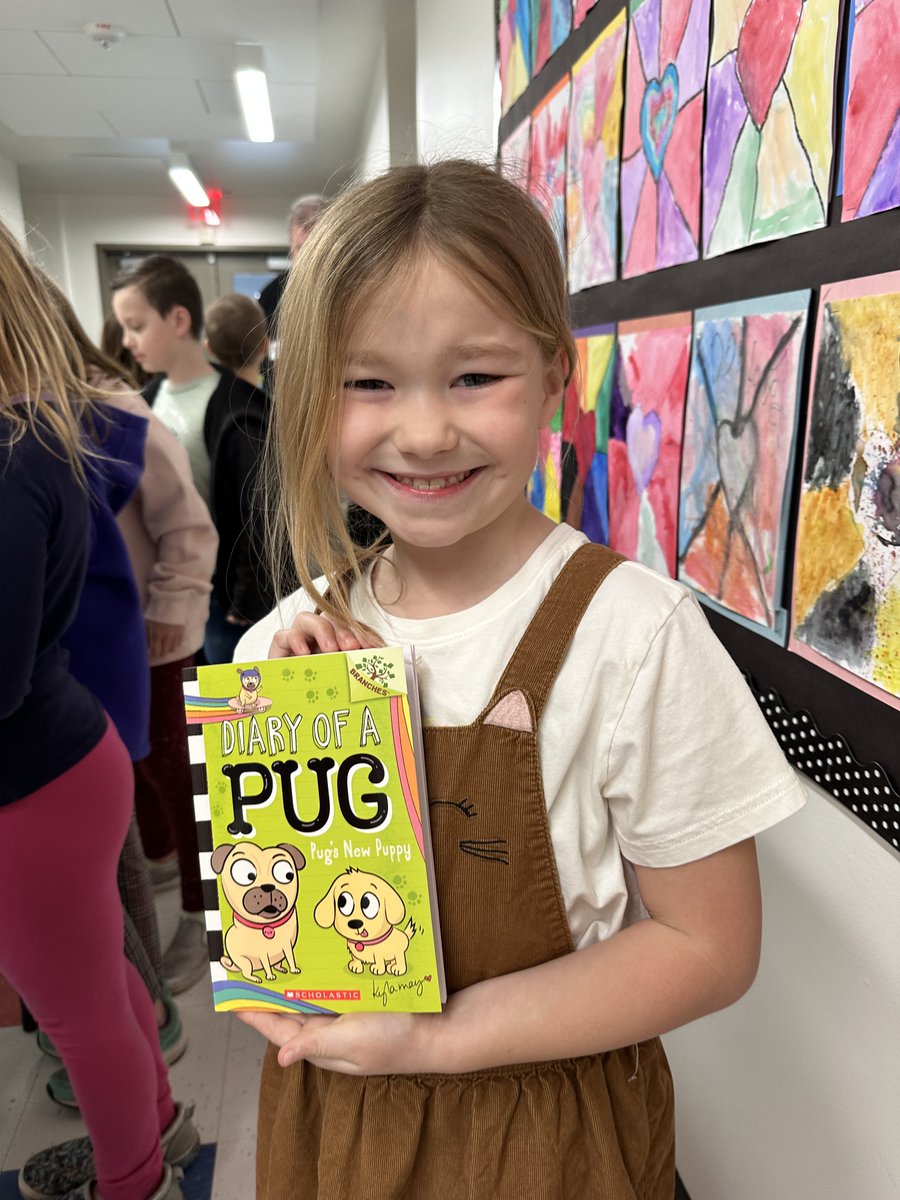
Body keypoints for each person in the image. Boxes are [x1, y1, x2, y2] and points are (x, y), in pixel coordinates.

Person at [232, 160, 807, 1200]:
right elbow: (281, 933)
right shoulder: (285, 640)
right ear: (312, 395)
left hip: (548, 1144)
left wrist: (436, 1041)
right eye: (368, 382)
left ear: (554, 375)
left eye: (473, 376)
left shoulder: (635, 636)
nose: (421, 431)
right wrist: (283, 755)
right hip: (339, 1138)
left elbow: (709, 945)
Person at [0, 218, 197, 1200]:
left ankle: (137, 1178)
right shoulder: (41, 438)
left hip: (44, 763)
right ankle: (155, 1130)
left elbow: (191, 533)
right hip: (66, 740)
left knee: (83, 1005)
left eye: (137, 322)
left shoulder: (26, 449)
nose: (125, 338)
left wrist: (181, 617)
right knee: (102, 974)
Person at [110, 255, 218, 506]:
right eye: (123, 329)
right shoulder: (143, 401)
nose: (127, 341)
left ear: (179, 321)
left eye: (136, 327)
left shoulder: (234, 411)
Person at [201, 292, 274, 663]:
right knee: (238, 701)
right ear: (265, 345)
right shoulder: (247, 419)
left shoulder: (222, 400)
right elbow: (259, 513)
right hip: (242, 595)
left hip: (226, 578)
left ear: (209, 348)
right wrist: (248, 596)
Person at [257, 193, 327, 342]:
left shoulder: (352, 293)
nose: (307, 259)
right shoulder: (270, 297)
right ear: (291, 246)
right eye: (300, 249)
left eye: (316, 249)